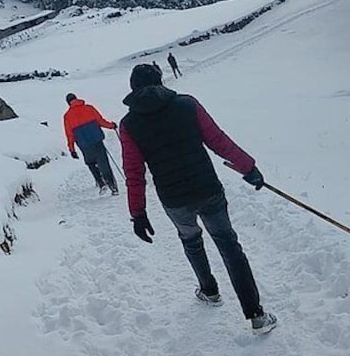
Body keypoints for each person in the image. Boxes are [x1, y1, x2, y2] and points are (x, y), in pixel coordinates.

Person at [118, 64, 277, 334]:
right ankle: (256, 315)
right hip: (207, 189)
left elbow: (134, 173)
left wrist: (138, 214)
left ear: (133, 89)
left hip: (174, 199)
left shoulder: (129, 125)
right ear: (160, 81)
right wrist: (248, 167)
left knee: (191, 241)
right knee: (228, 245)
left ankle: (210, 291)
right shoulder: (186, 105)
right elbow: (218, 140)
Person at [64, 93, 119, 195]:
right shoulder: (89, 108)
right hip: (97, 141)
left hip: (84, 145)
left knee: (90, 163)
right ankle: (113, 187)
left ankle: (101, 183)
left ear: (68, 103)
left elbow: (69, 135)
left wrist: (72, 150)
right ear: (76, 99)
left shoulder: (67, 116)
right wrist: (112, 125)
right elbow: (100, 121)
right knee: (104, 164)